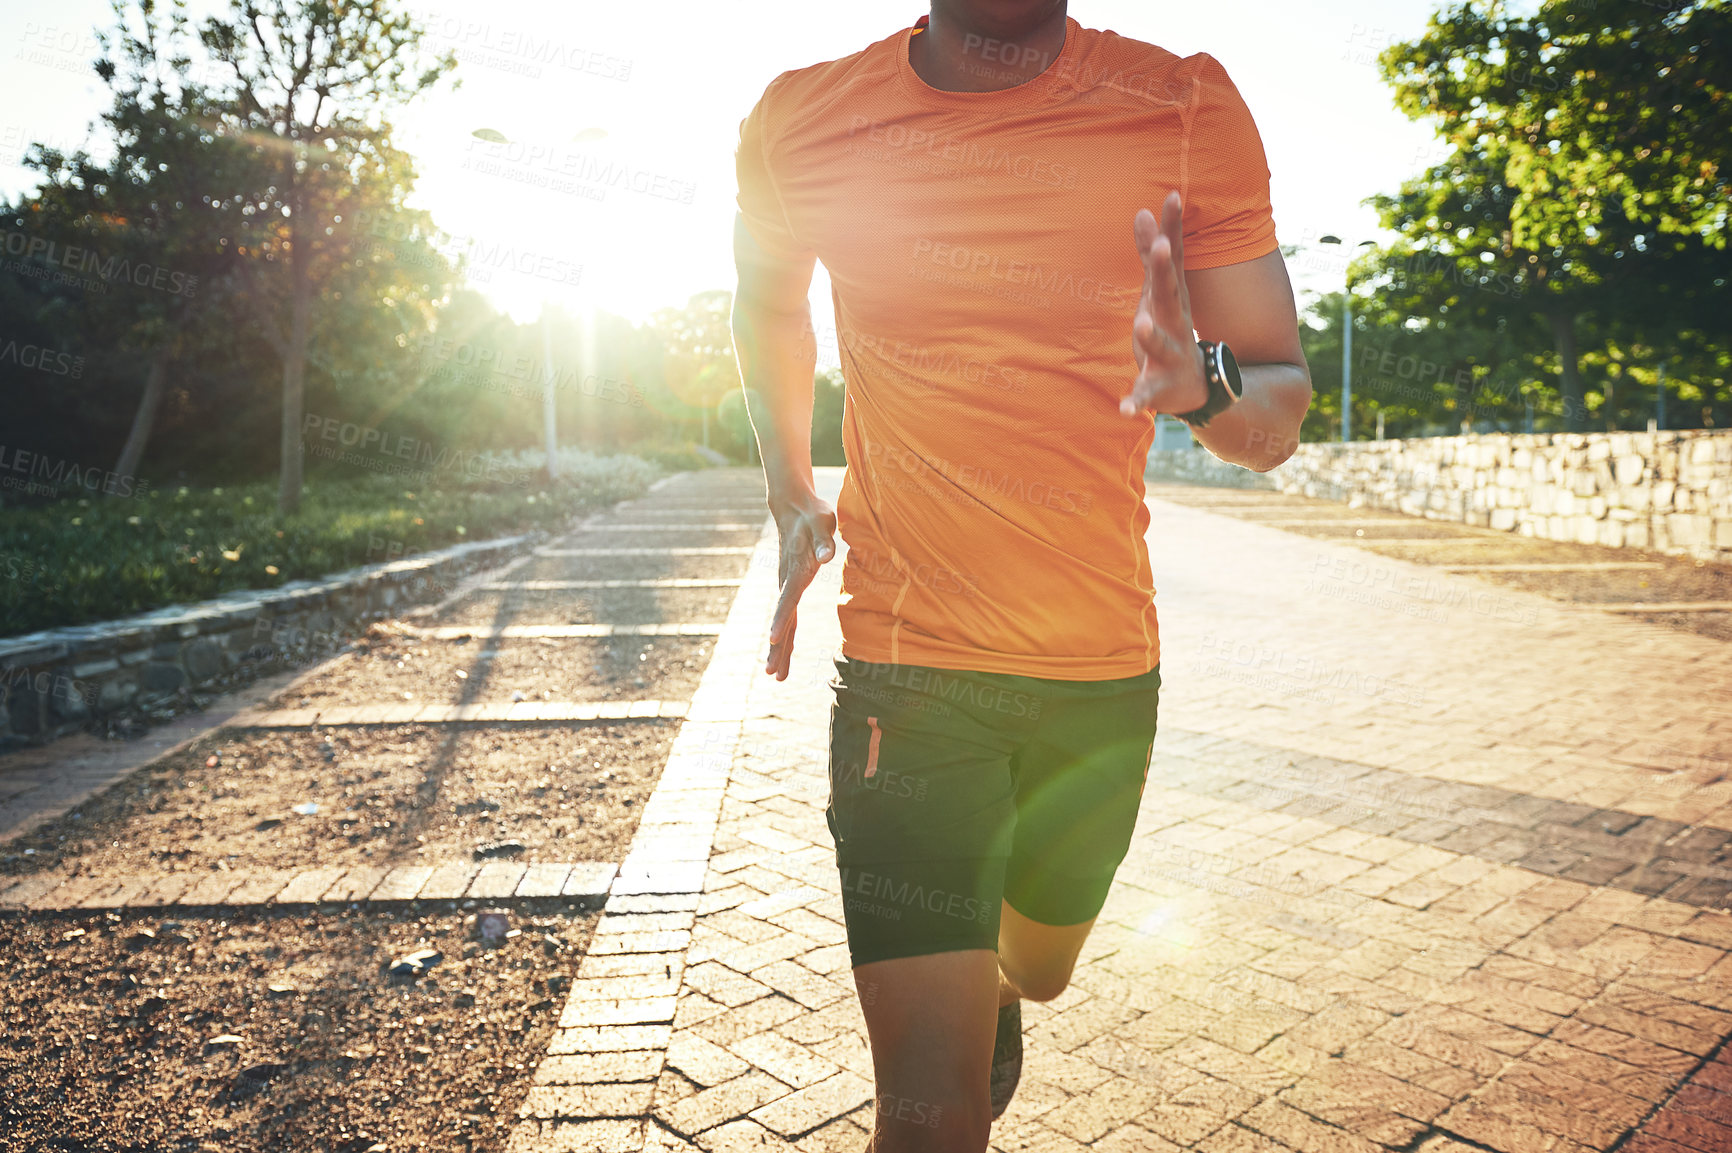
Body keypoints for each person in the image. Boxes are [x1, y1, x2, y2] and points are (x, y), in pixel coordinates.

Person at [732, 3, 1310, 1149]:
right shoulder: (801, 117)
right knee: (929, 1104)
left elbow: (1276, 410)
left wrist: (1200, 383)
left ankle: (1000, 987)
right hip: (907, 666)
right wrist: (789, 484)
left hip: (1097, 669)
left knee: (1038, 968)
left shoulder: (1183, 106)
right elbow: (766, 301)